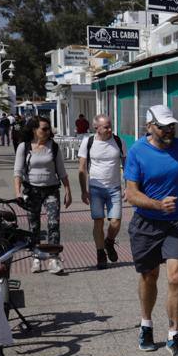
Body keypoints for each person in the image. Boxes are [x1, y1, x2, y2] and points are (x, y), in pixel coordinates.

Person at [124, 104, 178, 356]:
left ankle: (174, 335)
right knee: (149, 276)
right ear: (149, 127)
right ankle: (146, 324)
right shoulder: (137, 151)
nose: (169, 130)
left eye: (172, 125)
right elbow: (131, 193)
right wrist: (157, 204)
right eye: (163, 126)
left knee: (176, 275)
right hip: (147, 221)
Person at [13, 116, 72, 274]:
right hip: (31, 191)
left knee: (53, 224)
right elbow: (17, 172)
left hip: (51, 190)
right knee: (34, 226)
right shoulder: (24, 147)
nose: (47, 132)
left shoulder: (53, 147)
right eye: (44, 129)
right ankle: (37, 258)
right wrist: (18, 192)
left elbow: (62, 171)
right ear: (34, 130)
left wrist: (68, 191)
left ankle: (53, 259)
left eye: (49, 129)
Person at [78, 115, 126, 270]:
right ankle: (100, 254)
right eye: (106, 127)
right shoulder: (88, 142)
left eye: (110, 125)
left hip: (114, 188)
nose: (110, 129)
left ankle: (109, 242)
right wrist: (83, 190)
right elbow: (82, 168)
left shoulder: (118, 141)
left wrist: (129, 186)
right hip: (96, 188)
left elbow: (126, 165)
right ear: (96, 128)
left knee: (116, 222)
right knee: (98, 221)